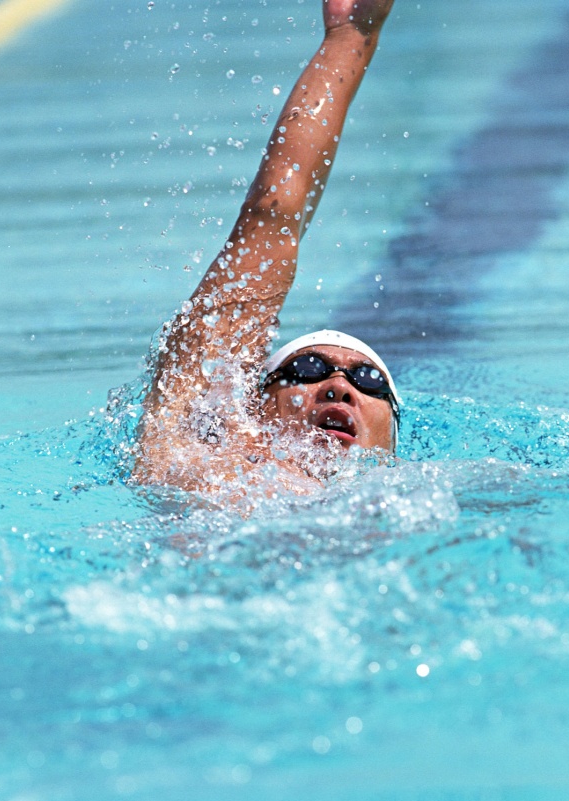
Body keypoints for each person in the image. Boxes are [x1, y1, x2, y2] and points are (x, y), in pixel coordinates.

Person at [134, 0, 399, 499]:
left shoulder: (418, 496)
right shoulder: (190, 457)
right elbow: (269, 220)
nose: (340, 387)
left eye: (369, 380)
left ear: (394, 438)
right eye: (307, 369)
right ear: (249, 405)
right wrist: (351, 38)